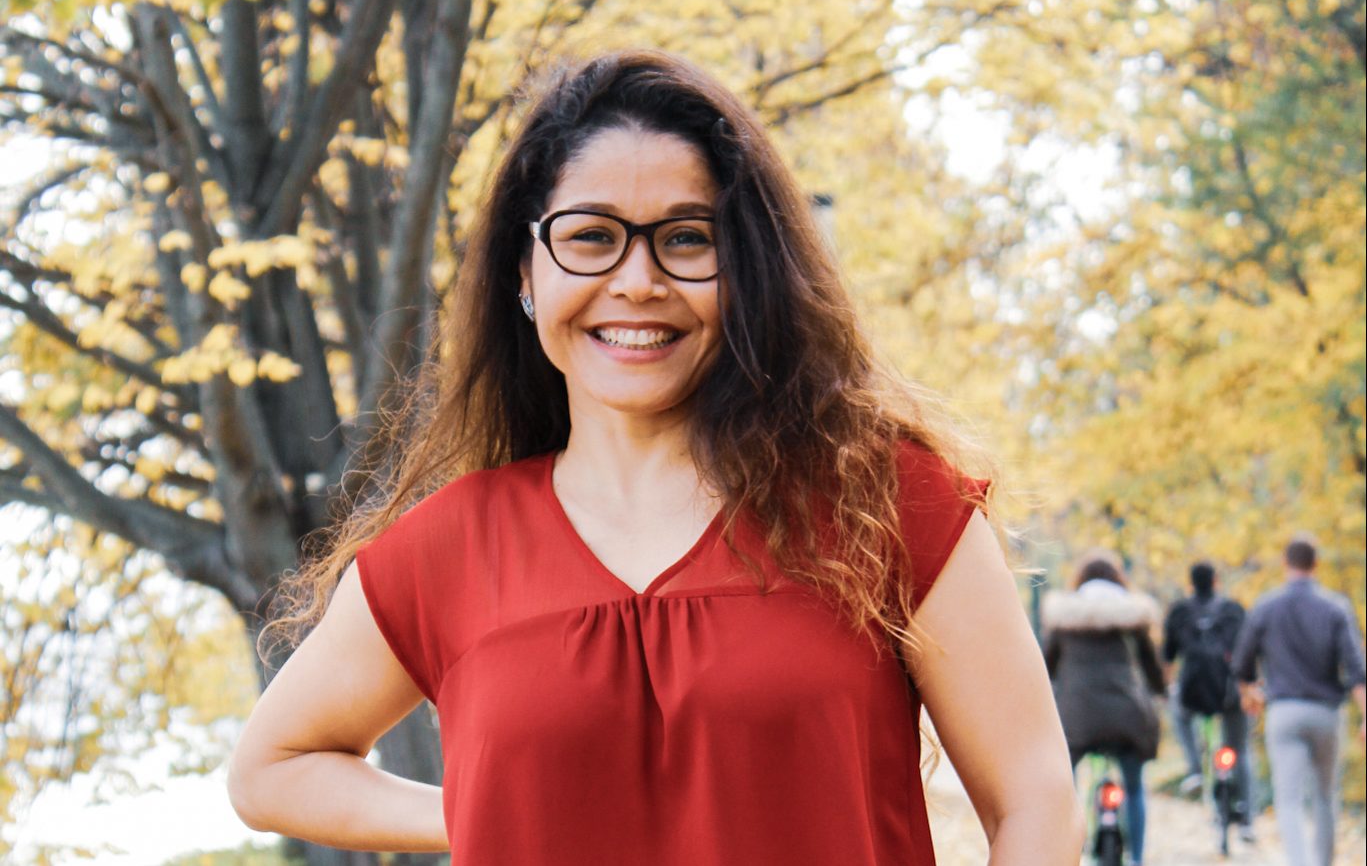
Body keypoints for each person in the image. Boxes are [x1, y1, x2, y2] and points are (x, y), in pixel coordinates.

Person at [224, 50, 1082, 863]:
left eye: (686, 238)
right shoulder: (450, 548)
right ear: (524, 272)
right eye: (591, 237)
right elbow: (271, 770)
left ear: (747, 270)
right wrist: (483, 809)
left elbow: (1033, 797)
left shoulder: (886, 501)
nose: (637, 281)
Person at [1232, 535, 1367, 866]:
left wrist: (1250, 692)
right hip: (1326, 713)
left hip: (1284, 711)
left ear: (1285, 563)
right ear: (1315, 564)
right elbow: (1356, 670)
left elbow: (1241, 663)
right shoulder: (1335, 607)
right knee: (1325, 796)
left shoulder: (1266, 606)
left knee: (1288, 799)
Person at [1043, 549, 1165, 866]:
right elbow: (1153, 670)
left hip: (1078, 718)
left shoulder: (1064, 621)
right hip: (1127, 716)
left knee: (1066, 784)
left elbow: (1046, 669)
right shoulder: (1134, 620)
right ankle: (1137, 858)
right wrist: (1160, 693)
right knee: (1134, 787)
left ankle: (1067, 850)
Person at [1161, 560, 1253, 838]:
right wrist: (1249, 688)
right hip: (1229, 693)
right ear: (1216, 581)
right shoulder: (1233, 610)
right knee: (1240, 750)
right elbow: (1247, 652)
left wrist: (1166, 688)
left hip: (1193, 693)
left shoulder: (1180, 611)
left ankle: (1194, 769)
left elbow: (1167, 657)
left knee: (1178, 713)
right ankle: (1247, 820)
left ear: (1190, 583)